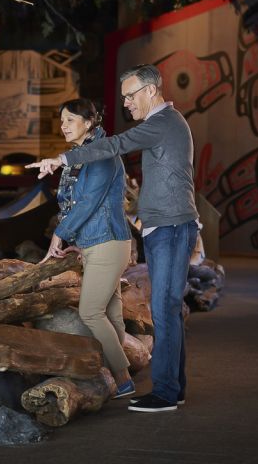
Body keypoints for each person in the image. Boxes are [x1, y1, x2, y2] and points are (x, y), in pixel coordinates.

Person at [27, 64, 198, 413]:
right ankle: (171, 388)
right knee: (162, 309)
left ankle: (164, 393)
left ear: (151, 90)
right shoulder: (166, 124)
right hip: (163, 227)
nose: (126, 104)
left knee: (163, 310)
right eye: (123, 98)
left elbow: (115, 144)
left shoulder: (161, 123)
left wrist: (61, 158)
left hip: (170, 228)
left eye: (131, 96)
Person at [41, 98, 136, 400]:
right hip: (97, 243)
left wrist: (60, 235)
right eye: (62, 120)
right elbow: (77, 204)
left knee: (91, 312)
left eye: (70, 120)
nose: (63, 126)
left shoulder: (103, 155)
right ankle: (117, 375)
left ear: (88, 122)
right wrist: (78, 244)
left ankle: (121, 377)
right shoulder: (78, 156)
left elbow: (88, 202)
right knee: (111, 312)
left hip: (108, 242)